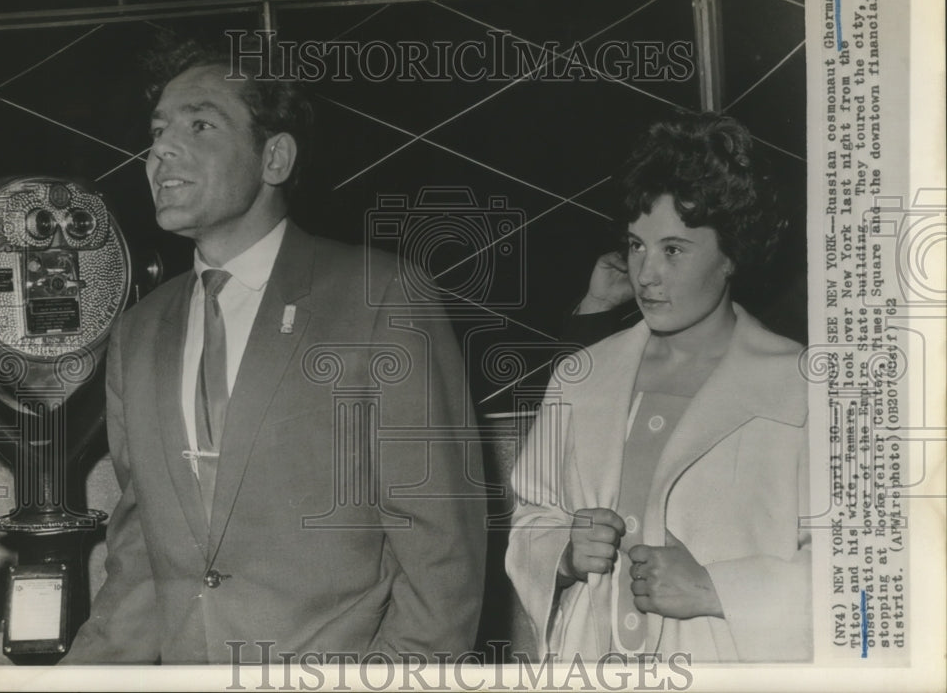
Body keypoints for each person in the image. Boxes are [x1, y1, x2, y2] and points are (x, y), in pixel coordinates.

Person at [64, 39, 485, 663]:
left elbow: (441, 554)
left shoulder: (379, 297)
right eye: (157, 132)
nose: (161, 151)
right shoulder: (137, 332)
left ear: (275, 158)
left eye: (199, 124)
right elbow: (141, 566)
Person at [506, 112, 811, 662]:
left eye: (673, 249)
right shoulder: (583, 375)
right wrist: (566, 554)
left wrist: (719, 591)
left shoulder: (804, 386)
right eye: (637, 245)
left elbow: (864, 570)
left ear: (732, 256)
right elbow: (531, 517)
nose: (645, 273)